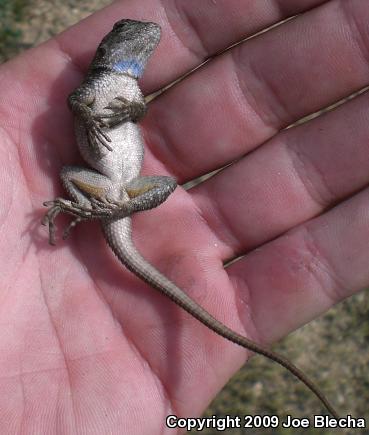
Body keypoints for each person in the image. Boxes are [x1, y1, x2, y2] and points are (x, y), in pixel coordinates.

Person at [0, 1, 367, 432]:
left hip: (123, 192)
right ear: (106, 48)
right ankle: (96, 205)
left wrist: (129, 114)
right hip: (98, 181)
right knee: (68, 174)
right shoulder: (97, 82)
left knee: (165, 185)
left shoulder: (131, 92)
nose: (142, 36)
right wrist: (92, 112)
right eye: (124, 30)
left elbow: (136, 110)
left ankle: (109, 207)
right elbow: (78, 100)